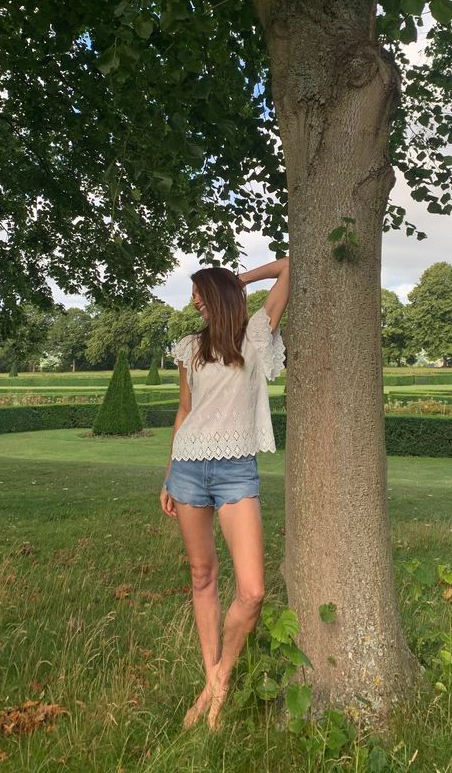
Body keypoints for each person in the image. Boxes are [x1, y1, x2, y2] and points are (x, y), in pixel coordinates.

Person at [160, 255, 290, 731]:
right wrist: (169, 474)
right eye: (193, 294)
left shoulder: (256, 335)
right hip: (188, 472)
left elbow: (289, 267)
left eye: (199, 292)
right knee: (202, 576)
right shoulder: (189, 348)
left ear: (218, 294)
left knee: (252, 591)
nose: (193, 300)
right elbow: (184, 411)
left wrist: (241, 278)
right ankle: (210, 685)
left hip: (237, 472)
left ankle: (218, 681)